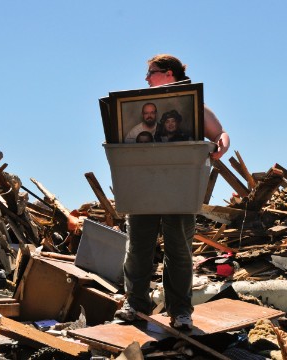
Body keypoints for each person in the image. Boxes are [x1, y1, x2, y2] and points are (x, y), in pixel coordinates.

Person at [115, 54, 230, 330]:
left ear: (169, 74)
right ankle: (135, 304)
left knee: (178, 249)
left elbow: (219, 134)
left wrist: (222, 144)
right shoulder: (139, 107)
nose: (145, 78)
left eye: (151, 72)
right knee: (138, 248)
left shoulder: (194, 105)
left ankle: (180, 311)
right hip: (143, 186)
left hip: (180, 186)